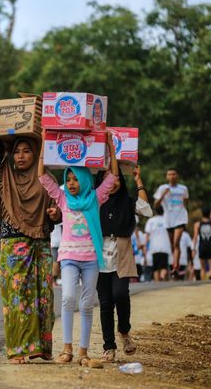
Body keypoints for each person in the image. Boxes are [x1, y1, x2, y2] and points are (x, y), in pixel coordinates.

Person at [39, 132, 119, 367]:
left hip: (92, 258)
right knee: (68, 299)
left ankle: (83, 352)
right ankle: (66, 348)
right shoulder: (63, 199)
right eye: (69, 179)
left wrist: (110, 148)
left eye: (76, 179)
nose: (72, 183)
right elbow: (42, 176)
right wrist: (46, 142)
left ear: (84, 180)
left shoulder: (96, 198)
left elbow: (113, 175)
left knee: (86, 304)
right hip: (69, 258)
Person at [0, 137, 59, 364]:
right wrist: (3, 135)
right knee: (17, 298)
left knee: (43, 297)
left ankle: (41, 347)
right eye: (17, 151)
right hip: (13, 244)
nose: (21, 156)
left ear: (36, 154)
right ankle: (18, 349)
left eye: (27, 151)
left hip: (41, 243)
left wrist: (55, 214)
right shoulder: (4, 177)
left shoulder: (46, 179)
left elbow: (59, 207)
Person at [94, 165, 152, 363]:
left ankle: (124, 331)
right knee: (105, 303)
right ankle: (108, 347)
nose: (112, 183)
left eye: (116, 178)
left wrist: (138, 180)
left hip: (122, 253)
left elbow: (146, 210)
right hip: (98, 256)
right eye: (107, 179)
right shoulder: (95, 202)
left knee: (120, 294)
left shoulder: (128, 202)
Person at [153, 169, 189, 278]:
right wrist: (163, 195)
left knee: (176, 242)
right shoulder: (162, 188)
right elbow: (156, 205)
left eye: (174, 174)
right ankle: (175, 262)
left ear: (177, 176)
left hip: (180, 218)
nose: (172, 176)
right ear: (167, 176)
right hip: (168, 220)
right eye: (169, 174)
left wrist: (185, 201)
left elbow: (186, 203)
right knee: (173, 244)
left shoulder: (183, 188)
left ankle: (176, 266)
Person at [145, 207, 172, 282]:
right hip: (165, 247)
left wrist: (145, 247)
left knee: (156, 268)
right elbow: (171, 234)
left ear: (155, 212)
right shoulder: (167, 220)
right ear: (163, 211)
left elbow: (147, 236)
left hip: (154, 247)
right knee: (164, 267)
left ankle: (157, 283)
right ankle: (162, 276)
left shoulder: (151, 221)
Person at [193, 206, 211, 280]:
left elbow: (195, 237)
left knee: (202, 268)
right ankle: (209, 277)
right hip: (210, 246)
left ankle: (203, 283)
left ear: (202, 214)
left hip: (201, 246)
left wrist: (193, 249)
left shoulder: (197, 224)